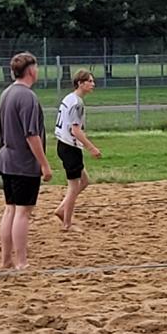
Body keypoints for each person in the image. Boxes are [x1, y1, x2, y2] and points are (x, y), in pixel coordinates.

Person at [0, 52, 52, 270]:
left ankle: (6, 260)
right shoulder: (27, 97)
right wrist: (44, 164)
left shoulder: (6, 93)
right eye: (36, 67)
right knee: (23, 212)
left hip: (6, 159)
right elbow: (32, 135)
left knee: (10, 209)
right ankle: (21, 262)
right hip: (22, 162)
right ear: (30, 71)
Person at [53, 69, 102, 232]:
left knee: (85, 181)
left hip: (63, 144)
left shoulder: (69, 98)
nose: (93, 84)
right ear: (80, 83)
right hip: (70, 148)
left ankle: (62, 209)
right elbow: (76, 131)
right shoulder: (77, 103)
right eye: (90, 81)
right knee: (73, 187)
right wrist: (91, 148)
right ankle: (67, 223)